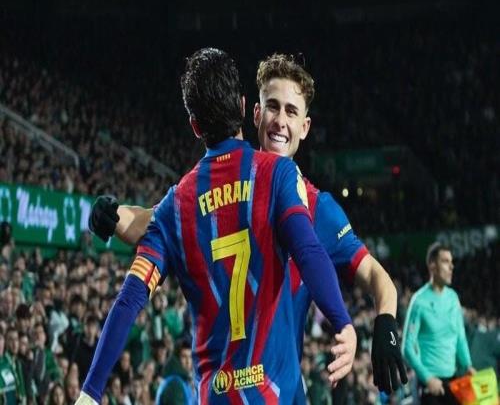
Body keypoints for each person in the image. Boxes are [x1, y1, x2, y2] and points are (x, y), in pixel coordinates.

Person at [90, 53, 407, 397]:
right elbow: (147, 220)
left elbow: (376, 276)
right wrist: (111, 213)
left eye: (291, 111)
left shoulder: (319, 209)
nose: (280, 121)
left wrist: (385, 322)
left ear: (305, 127)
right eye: (272, 107)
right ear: (253, 113)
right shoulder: (226, 185)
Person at [402, 242, 475, 405]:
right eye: (445, 261)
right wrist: (427, 378)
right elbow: (407, 347)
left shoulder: (453, 298)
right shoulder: (419, 301)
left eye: (451, 262)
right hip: (429, 384)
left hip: (453, 381)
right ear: (432, 266)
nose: (451, 267)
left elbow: (460, 337)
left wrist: (468, 365)